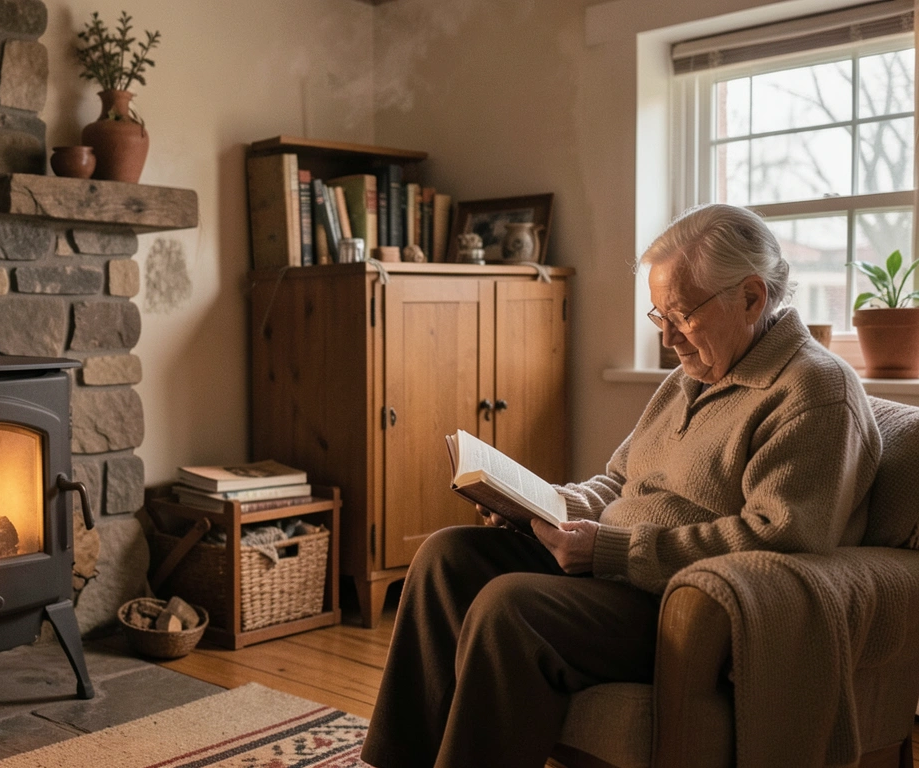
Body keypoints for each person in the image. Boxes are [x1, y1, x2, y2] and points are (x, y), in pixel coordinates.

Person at [359, 204, 881, 768]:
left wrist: (611, 550)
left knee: (510, 607)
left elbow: (779, 539)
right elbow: (619, 481)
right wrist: (543, 505)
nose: (668, 339)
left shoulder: (815, 390)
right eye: (661, 317)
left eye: (682, 316)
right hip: (612, 571)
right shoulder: (691, 377)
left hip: (678, 604)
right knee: (446, 556)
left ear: (752, 297)